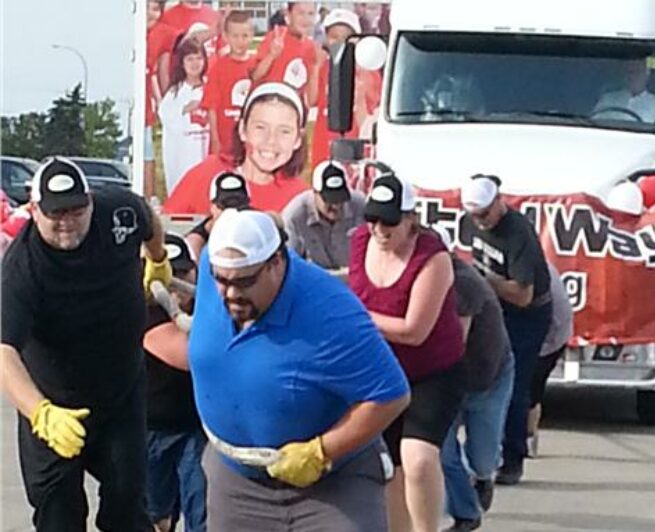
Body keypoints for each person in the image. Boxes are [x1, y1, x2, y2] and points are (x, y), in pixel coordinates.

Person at [190, 209, 410, 530]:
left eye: (245, 281)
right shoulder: (216, 266)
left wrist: (321, 452)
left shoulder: (332, 313)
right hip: (237, 481)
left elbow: (391, 395)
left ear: (277, 262)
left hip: (332, 485)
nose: (232, 293)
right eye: (221, 280)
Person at [1, 157, 171, 531]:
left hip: (120, 394)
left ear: (91, 201)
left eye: (77, 210)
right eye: (56, 213)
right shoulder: (21, 269)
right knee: (58, 515)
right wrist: (41, 413)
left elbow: (146, 217)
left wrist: (158, 260)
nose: (67, 222)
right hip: (53, 404)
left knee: (127, 507)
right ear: (34, 210)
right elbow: (3, 352)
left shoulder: (117, 211)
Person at [349, 168, 465, 532]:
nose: (379, 231)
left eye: (390, 223)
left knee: (417, 459)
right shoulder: (359, 243)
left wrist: (358, 316)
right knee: (388, 467)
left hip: (433, 373)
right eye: (373, 221)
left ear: (411, 220)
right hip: (382, 371)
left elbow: (415, 330)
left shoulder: (434, 259)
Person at [460, 174, 552, 486]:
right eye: (474, 215)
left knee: (514, 382)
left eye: (484, 214)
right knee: (478, 373)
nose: (479, 221)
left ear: (499, 202)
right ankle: (482, 451)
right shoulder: (471, 221)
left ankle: (513, 458)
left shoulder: (517, 232)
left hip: (528, 314)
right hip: (493, 306)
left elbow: (523, 294)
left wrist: (483, 282)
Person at [428, 225, 514, 532]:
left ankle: (483, 477)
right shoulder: (417, 276)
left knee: (483, 454)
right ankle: (466, 514)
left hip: (487, 376)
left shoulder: (463, 285)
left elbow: (455, 346)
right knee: (443, 450)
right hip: (445, 379)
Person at [164, 82, 309, 214]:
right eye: (260, 128)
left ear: (297, 139)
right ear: (242, 130)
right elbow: (166, 231)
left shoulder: (301, 200)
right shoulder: (208, 174)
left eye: (284, 131)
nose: (271, 140)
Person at [144, 233, 207, 532]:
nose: (175, 282)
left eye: (182, 272)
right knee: (158, 516)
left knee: (202, 510)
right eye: (170, 272)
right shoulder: (141, 310)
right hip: (150, 429)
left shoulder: (207, 305)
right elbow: (188, 356)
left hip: (196, 429)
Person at [309, 8, 382, 167]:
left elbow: (371, 111)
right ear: (326, 38)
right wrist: (315, 68)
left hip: (352, 142)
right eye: (334, 37)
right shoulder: (323, 66)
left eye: (346, 37)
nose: (340, 42)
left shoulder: (367, 69)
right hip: (324, 141)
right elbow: (311, 99)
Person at [526, 262, 574, 459]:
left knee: (528, 391)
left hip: (550, 338)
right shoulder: (542, 266)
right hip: (556, 334)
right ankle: (528, 440)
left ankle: (528, 439)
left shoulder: (532, 272)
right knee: (531, 391)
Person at [281, 160, 365, 270]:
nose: (336, 206)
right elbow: (288, 268)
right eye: (330, 200)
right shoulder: (294, 217)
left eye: (340, 199)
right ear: (315, 193)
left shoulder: (361, 205)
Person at [200, 10, 257, 158]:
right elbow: (211, 107)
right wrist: (215, 139)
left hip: (250, 137)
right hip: (225, 139)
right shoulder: (218, 68)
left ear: (252, 35)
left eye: (244, 36)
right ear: (226, 37)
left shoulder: (257, 65)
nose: (240, 41)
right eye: (235, 36)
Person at [159, 36, 210, 194]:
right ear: (182, 62)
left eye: (198, 58)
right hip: (182, 156)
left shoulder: (209, 87)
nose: (195, 64)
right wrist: (184, 109)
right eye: (190, 59)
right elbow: (165, 116)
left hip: (203, 152)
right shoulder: (175, 92)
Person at [251, 1, 320, 100]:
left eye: (310, 14)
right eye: (300, 13)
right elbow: (255, 76)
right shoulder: (276, 37)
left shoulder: (311, 47)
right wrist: (271, 55)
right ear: (288, 14)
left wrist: (315, 67)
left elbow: (311, 100)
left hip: (293, 109)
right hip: (268, 104)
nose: (306, 19)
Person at [146, 0, 179, 199]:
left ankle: (148, 197)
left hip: (148, 95)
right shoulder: (129, 29)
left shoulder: (164, 33)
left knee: (148, 150)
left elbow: (162, 69)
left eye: (156, 8)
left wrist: (167, 100)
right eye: (147, 7)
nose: (151, 13)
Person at [185, 171, 250, 259]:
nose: (232, 212)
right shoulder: (197, 243)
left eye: (239, 206)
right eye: (225, 207)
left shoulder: (257, 226)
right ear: (212, 207)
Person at [592, 58, 655, 123]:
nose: (632, 76)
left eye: (637, 71)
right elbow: (594, 122)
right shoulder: (608, 98)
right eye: (629, 72)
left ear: (647, 74)